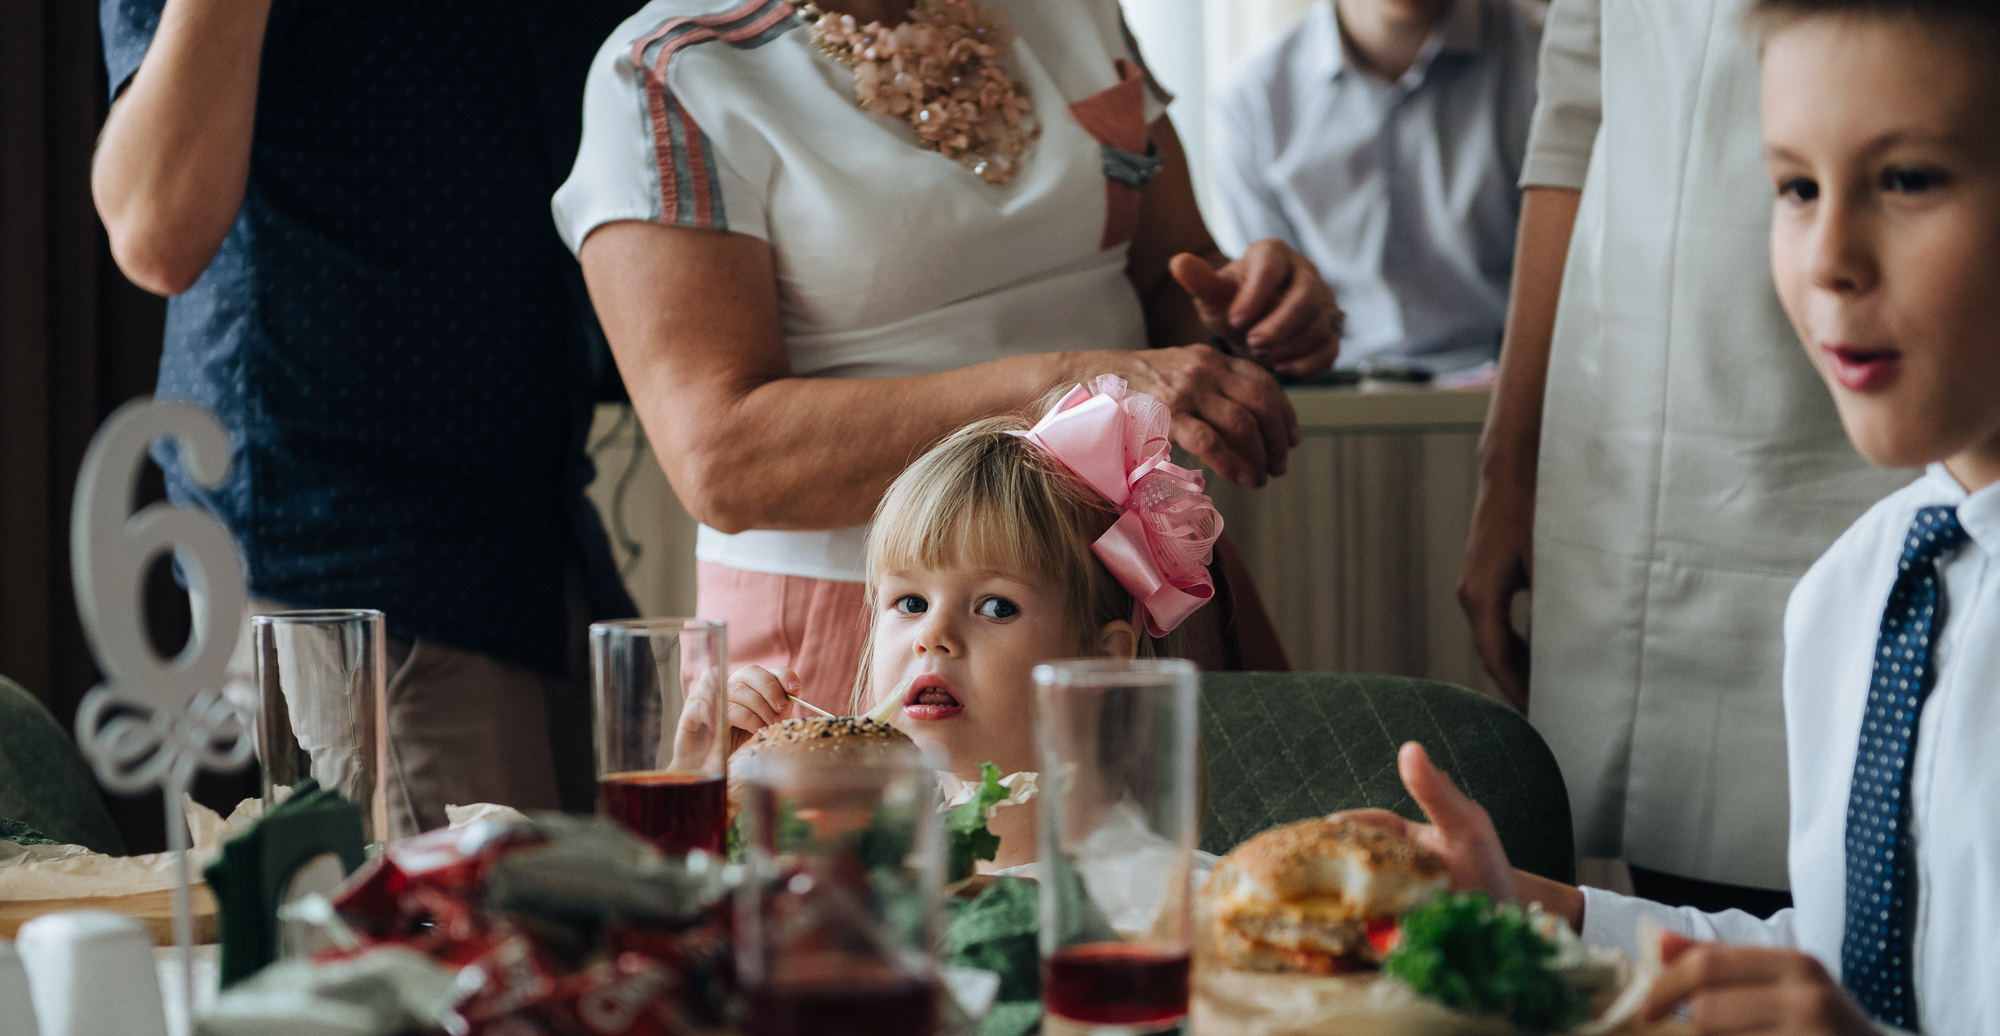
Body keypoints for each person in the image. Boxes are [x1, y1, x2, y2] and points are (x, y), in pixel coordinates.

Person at [1369, 2, 2000, 1036]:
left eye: (1909, 180)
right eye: (1793, 187)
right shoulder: (1860, 589)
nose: (1830, 257)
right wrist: (1554, 917)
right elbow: (1847, 967)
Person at [555, 0, 1341, 714]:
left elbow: (1172, 270)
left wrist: (1245, 311)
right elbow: (722, 460)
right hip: (885, 618)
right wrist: (1059, 392)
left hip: (1132, 585)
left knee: (1185, 862)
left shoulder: (1077, 11)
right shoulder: (674, 68)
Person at [92, 0, 639, 837]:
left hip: (544, 520)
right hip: (361, 552)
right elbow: (153, 225)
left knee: (639, 924)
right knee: (478, 949)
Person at [1454, 0, 1913, 915]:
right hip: (1647, 431)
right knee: (1703, 902)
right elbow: (1576, 105)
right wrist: (1511, 463)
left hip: (1903, 371)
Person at [721, 375, 1216, 872]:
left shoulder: (1154, 900)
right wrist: (717, 798)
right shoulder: (850, 871)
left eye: (996, 607)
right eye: (911, 602)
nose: (932, 636)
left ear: (1102, 663)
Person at [1209, 0, 1542, 373]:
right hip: (1336, 397)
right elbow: (1266, 323)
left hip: (1517, 388)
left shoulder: (1548, 63)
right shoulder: (1253, 100)